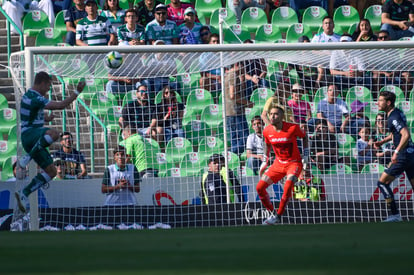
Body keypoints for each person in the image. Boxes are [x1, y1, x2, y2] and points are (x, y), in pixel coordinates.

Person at [15, 71, 85, 213]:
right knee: (54, 133)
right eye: (48, 85)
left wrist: (46, 118)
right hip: (30, 136)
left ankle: (24, 194)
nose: (48, 89)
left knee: (52, 171)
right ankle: (27, 158)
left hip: (34, 138)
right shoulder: (35, 97)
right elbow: (60, 105)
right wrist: (77, 91)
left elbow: (32, 116)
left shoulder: (31, 97)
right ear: (42, 82)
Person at [257, 106, 309, 225]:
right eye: (270, 114)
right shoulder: (267, 131)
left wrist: (305, 153)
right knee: (259, 188)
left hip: (293, 163)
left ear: (282, 117)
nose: (272, 116)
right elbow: (267, 144)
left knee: (288, 185)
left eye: (275, 114)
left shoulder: (292, 128)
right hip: (278, 164)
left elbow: (304, 136)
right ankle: (272, 214)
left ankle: (278, 216)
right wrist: (265, 159)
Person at [372, 90, 414, 222]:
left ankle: (395, 215)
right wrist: (382, 141)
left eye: (380, 100)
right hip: (411, 154)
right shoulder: (397, 113)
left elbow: (406, 135)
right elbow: (396, 133)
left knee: (382, 182)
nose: (378, 103)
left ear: (388, 102)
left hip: (403, 155)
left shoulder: (393, 117)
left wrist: (396, 152)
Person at [224, 62, 254, 155]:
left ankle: (234, 159)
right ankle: (234, 154)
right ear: (237, 64)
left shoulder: (228, 75)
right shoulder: (233, 76)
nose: (244, 68)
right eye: (243, 65)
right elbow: (233, 95)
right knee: (244, 137)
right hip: (235, 112)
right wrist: (247, 103)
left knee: (234, 138)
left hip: (229, 112)